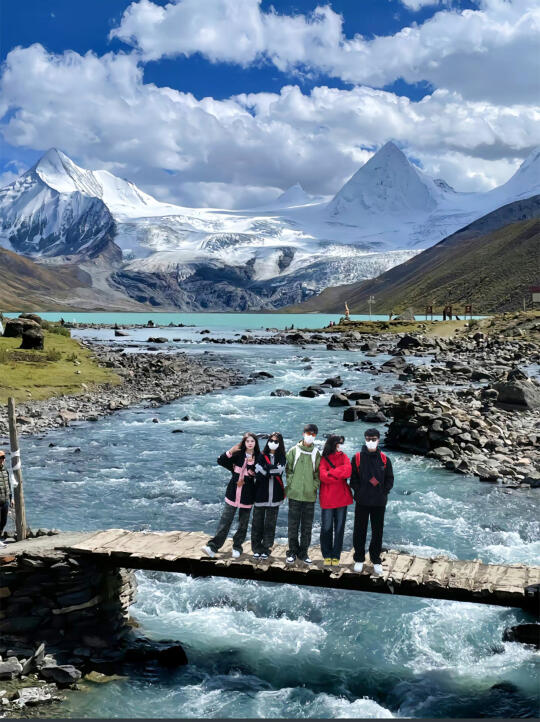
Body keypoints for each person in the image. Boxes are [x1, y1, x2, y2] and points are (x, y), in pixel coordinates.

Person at [202, 433, 260, 559]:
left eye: (252, 441)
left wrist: (251, 468)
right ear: (243, 443)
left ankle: (237, 547)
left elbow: (260, 474)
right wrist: (230, 451)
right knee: (225, 521)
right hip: (233, 494)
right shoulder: (238, 455)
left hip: (247, 495)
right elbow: (220, 460)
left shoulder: (259, 457)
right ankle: (213, 547)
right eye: (247, 441)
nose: (250, 443)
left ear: (255, 443)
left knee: (243, 524)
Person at [350, 428, 394, 576]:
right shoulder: (356, 458)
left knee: (377, 532)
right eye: (368, 439)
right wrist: (359, 490)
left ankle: (375, 559)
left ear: (378, 439)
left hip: (379, 502)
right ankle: (359, 558)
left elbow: (390, 479)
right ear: (364, 439)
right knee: (359, 531)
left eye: (373, 439)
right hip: (362, 501)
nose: (371, 441)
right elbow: (353, 479)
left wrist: (384, 491)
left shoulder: (385, 459)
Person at [285, 423, 321, 565]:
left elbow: (318, 473)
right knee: (293, 525)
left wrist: (314, 486)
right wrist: (291, 483)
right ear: (303, 433)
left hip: (309, 496)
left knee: (307, 526)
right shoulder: (294, 450)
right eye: (308, 433)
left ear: (315, 436)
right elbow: (288, 469)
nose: (310, 436)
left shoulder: (316, 453)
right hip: (294, 494)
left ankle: (303, 552)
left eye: (313, 434)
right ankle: (292, 552)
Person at [319, 435, 353, 566]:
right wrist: (338, 474)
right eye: (339, 443)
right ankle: (327, 554)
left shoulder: (343, 456)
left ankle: (336, 555)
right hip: (328, 498)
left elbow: (348, 471)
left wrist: (331, 472)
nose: (340, 446)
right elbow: (323, 476)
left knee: (339, 528)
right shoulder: (323, 459)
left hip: (341, 498)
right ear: (333, 444)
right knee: (326, 527)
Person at [252, 432, 286, 559]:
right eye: (271, 440)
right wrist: (269, 471)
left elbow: (279, 471)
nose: (273, 443)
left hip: (275, 497)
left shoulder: (282, 457)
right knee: (257, 524)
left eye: (276, 441)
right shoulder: (260, 455)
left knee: (270, 525)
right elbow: (258, 472)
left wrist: (267, 469)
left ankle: (266, 549)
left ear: (280, 443)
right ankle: (256, 548)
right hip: (260, 495)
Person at [0, 451, 14, 547]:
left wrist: (11, 498)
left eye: (3, 457)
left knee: (4, 521)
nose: (2, 459)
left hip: (5, 500)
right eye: (0, 458)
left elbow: (8, 485)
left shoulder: (5, 470)